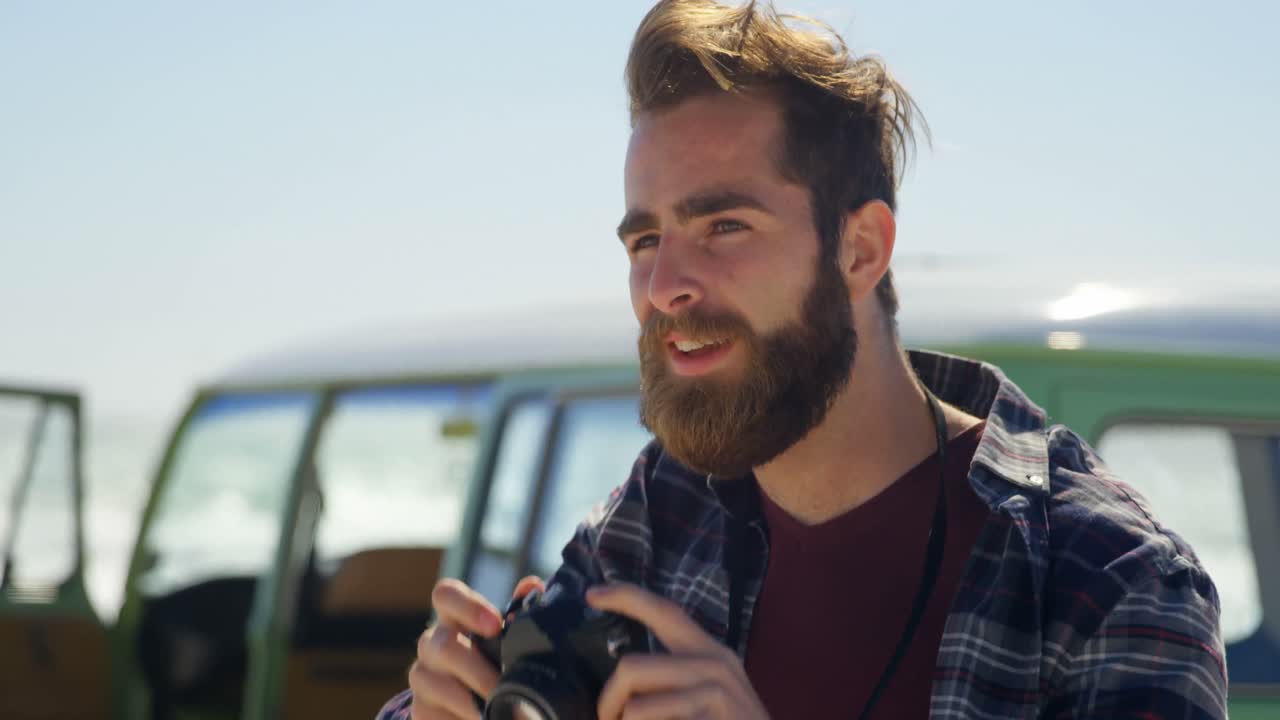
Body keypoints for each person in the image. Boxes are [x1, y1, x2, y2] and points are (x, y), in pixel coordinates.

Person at [379, 1, 1227, 718]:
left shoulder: (1110, 587)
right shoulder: (659, 518)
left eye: (725, 227)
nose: (665, 284)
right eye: (646, 239)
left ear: (861, 251)